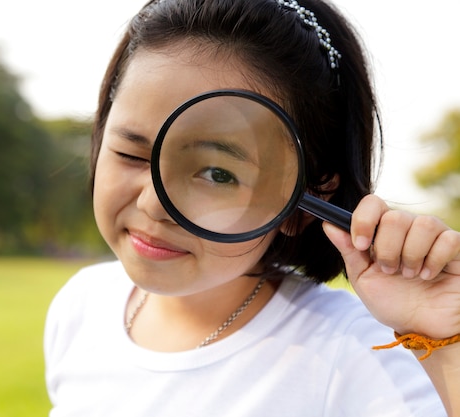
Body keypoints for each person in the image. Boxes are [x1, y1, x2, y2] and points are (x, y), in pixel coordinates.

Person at [44, 0, 460, 415]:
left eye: (217, 174)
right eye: (132, 155)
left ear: (305, 201)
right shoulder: (81, 307)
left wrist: (447, 344)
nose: (154, 205)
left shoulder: (354, 353)